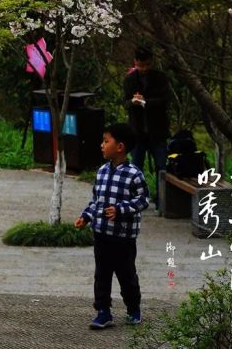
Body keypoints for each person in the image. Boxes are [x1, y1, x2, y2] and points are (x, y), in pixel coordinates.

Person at [75, 122, 149, 330]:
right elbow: (96, 201)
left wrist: (121, 209)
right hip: (101, 234)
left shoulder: (134, 174)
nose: (101, 145)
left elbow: (143, 200)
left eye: (106, 141)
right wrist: (86, 216)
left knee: (126, 275)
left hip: (123, 237)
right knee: (102, 275)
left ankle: (133, 308)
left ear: (120, 147)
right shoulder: (101, 172)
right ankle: (103, 312)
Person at [123, 45, 170, 206]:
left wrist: (145, 102)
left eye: (146, 65)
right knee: (136, 166)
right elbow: (125, 102)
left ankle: (161, 199)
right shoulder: (129, 79)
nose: (143, 69)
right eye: (140, 65)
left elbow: (164, 100)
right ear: (135, 62)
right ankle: (138, 198)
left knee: (161, 166)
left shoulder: (160, 77)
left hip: (157, 130)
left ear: (151, 62)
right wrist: (133, 102)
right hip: (137, 130)